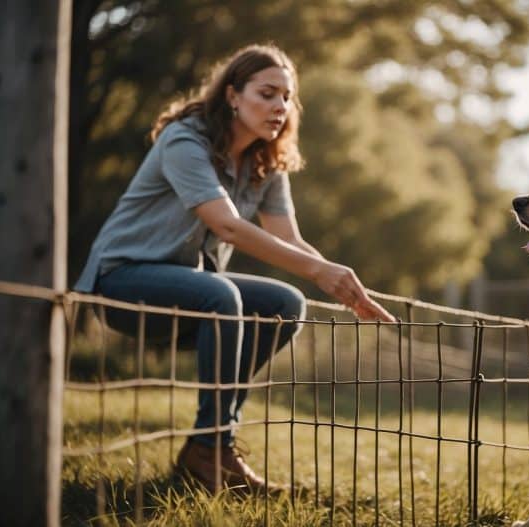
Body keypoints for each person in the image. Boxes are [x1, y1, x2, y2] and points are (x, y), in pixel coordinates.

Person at [74, 43, 394, 495]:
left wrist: (339, 278)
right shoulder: (185, 140)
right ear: (231, 95)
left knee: (285, 302)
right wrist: (320, 271)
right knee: (223, 295)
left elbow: (288, 239)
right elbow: (226, 226)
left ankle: (207, 450)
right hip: (122, 281)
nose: (280, 106)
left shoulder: (266, 160)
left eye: (287, 96)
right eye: (267, 93)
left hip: (193, 290)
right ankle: (211, 450)